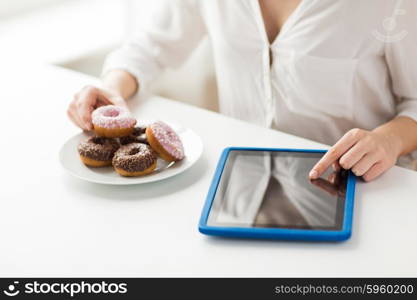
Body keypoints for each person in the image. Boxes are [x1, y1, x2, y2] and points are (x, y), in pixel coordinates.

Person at [67, 0, 417, 181]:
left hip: (358, 183)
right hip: (239, 176)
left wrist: (388, 139)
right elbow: (150, 45)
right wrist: (110, 88)